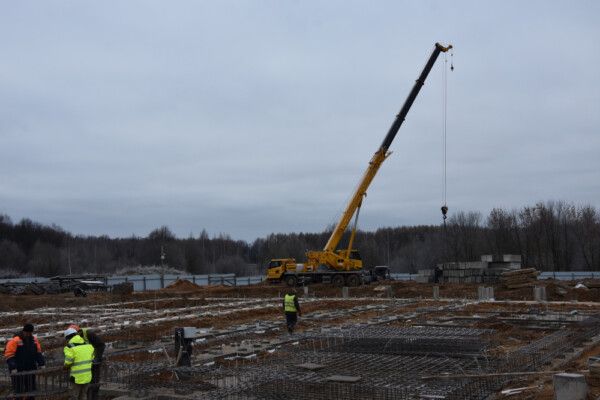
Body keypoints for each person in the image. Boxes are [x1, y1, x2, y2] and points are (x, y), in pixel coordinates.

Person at [4, 323, 45, 400]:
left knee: (31, 389)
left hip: (30, 369)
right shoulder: (15, 340)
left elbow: (38, 353)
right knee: (18, 390)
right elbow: (9, 355)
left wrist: (41, 363)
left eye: (30, 333)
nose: (28, 334)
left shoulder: (34, 340)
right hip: (17, 370)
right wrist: (13, 367)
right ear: (24, 331)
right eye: (27, 332)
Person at [67, 325, 104, 400]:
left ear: (78, 331)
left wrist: (96, 358)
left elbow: (101, 345)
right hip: (86, 363)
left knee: (94, 382)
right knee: (86, 386)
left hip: (94, 362)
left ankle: (94, 397)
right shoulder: (76, 338)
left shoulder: (89, 334)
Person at [63, 327, 94, 400]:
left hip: (76, 378)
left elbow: (68, 362)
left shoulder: (69, 347)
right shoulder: (88, 345)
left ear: (68, 338)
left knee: (74, 397)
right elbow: (92, 358)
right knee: (83, 396)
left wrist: (65, 367)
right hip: (87, 376)